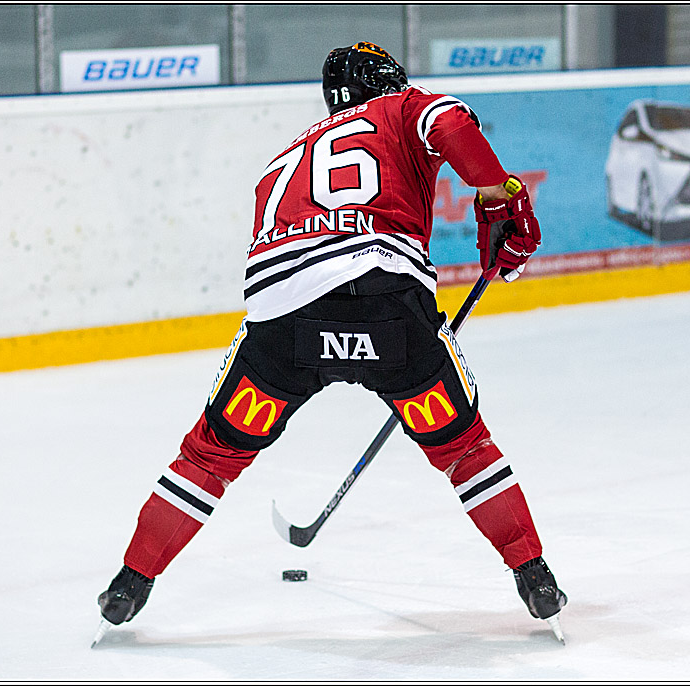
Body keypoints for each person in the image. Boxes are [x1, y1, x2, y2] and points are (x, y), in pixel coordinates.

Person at [96, 41, 565, 641]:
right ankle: (534, 576)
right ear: (389, 82)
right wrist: (499, 195)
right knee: (464, 449)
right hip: (390, 318)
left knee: (210, 456)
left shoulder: (281, 160)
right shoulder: (401, 108)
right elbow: (451, 124)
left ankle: (130, 583)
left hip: (285, 328)